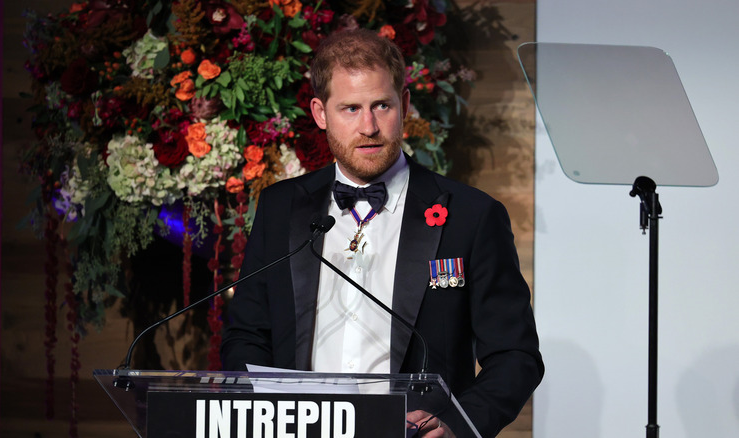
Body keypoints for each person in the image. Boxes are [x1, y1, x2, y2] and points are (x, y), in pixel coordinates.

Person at [221, 28, 544, 437]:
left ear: (404, 105)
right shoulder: (280, 207)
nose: (369, 126)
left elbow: (516, 356)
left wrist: (457, 426)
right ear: (320, 113)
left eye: (382, 106)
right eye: (350, 109)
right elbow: (246, 335)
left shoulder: (472, 216)